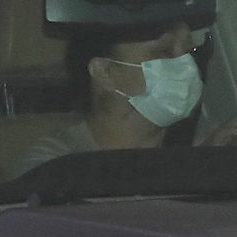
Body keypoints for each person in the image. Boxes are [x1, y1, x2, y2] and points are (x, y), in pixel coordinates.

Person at [15, 17, 237, 176]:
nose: (187, 66)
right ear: (106, 72)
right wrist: (196, 169)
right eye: (163, 52)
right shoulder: (53, 163)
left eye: (190, 52)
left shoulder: (206, 145)